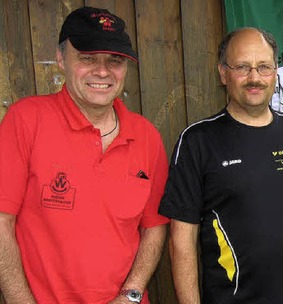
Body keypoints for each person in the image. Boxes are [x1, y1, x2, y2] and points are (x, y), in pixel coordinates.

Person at [158, 27, 283, 304]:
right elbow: (181, 240)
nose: (254, 78)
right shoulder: (198, 141)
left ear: (275, 73)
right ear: (223, 73)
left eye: (264, 67)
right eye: (242, 67)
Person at [0, 6, 169, 304]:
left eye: (114, 60)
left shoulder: (146, 137)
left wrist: (130, 294)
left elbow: (154, 229)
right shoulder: (25, 120)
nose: (102, 71)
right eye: (87, 58)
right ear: (61, 59)